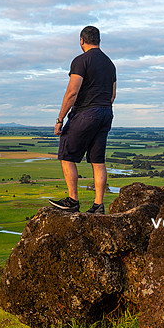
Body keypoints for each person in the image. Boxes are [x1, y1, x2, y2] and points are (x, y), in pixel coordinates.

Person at [48, 26, 116, 214]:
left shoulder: (81, 61)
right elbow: (113, 95)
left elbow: (72, 92)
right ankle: (98, 205)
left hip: (86, 112)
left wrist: (60, 118)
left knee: (67, 155)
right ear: (99, 41)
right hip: (106, 112)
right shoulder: (110, 64)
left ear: (81, 40)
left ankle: (73, 201)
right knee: (98, 160)